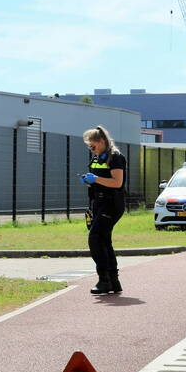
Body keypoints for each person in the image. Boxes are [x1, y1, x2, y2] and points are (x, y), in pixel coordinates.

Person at [80, 125, 127, 294]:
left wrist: (96, 179)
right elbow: (98, 180)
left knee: (95, 238)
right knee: (104, 240)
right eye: (89, 146)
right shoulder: (97, 157)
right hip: (98, 203)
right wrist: (88, 180)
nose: (91, 149)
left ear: (102, 141)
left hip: (111, 204)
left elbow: (117, 182)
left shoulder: (115, 157)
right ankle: (113, 281)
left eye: (93, 145)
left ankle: (104, 279)